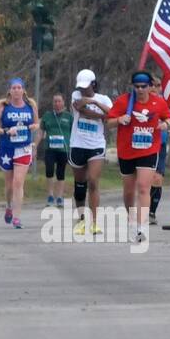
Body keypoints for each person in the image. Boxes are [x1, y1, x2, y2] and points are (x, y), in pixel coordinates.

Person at [108, 69, 170, 243]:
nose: (140, 90)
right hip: (127, 151)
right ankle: (131, 219)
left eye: (144, 86)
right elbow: (109, 121)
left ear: (150, 86)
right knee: (129, 192)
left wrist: (166, 124)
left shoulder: (158, 103)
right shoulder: (124, 101)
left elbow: (168, 117)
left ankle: (141, 226)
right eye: (136, 86)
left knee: (144, 187)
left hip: (149, 149)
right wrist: (120, 120)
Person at [0, 79, 39, 229]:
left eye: (19, 88)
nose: (16, 90)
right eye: (14, 88)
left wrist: (31, 126)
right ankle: (8, 206)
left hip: (23, 148)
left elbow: (38, 123)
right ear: (10, 91)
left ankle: (17, 218)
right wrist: (6, 131)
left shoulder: (31, 106)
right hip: (6, 148)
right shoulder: (3, 106)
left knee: (18, 182)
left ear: (23, 90)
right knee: (9, 185)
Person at [69, 69, 111, 237]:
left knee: (93, 181)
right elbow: (81, 109)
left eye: (86, 87)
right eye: (81, 87)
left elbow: (112, 114)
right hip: (78, 143)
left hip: (96, 144)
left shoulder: (104, 99)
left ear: (94, 84)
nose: (82, 90)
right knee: (80, 185)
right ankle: (81, 220)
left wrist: (94, 103)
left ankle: (94, 222)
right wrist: (101, 115)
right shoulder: (75, 95)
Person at [148, 82, 170, 225]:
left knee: (157, 180)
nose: (155, 88)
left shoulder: (163, 103)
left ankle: (151, 213)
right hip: (142, 146)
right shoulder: (139, 102)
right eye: (152, 85)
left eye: (158, 85)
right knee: (143, 181)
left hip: (159, 146)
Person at [39, 93, 72, 206]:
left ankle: (59, 197)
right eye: (55, 101)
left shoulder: (69, 117)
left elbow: (74, 133)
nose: (57, 103)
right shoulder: (47, 116)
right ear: (52, 103)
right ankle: (50, 195)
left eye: (59, 101)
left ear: (63, 102)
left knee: (60, 172)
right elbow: (40, 132)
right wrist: (35, 144)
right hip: (50, 148)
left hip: (63, 149)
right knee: (49, 170)